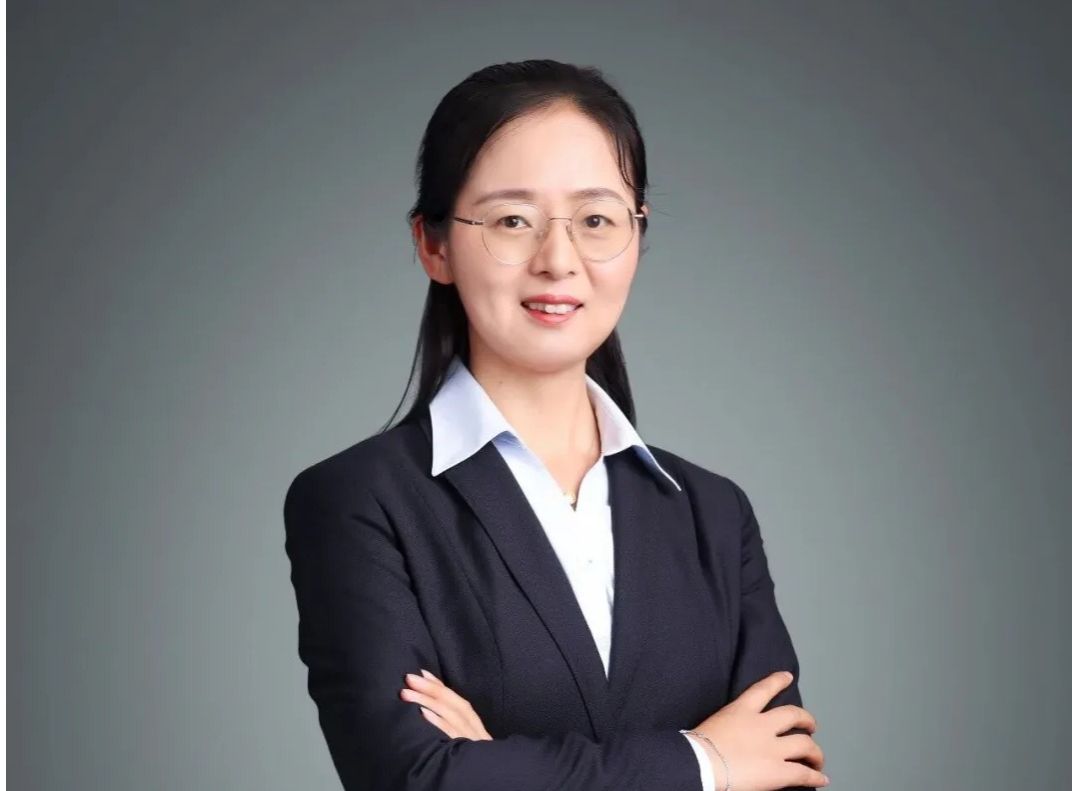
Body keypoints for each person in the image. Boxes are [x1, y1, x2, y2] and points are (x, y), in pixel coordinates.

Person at [283, 58, 827, 791]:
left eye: (596, 220)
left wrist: (497, 764)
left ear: (637, 235)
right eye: (512, 220)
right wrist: (707, 761)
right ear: (434, 245)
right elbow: (416, 780)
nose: (558, 260)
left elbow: (786, 770)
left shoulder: (714, 515)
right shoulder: (359, 500)